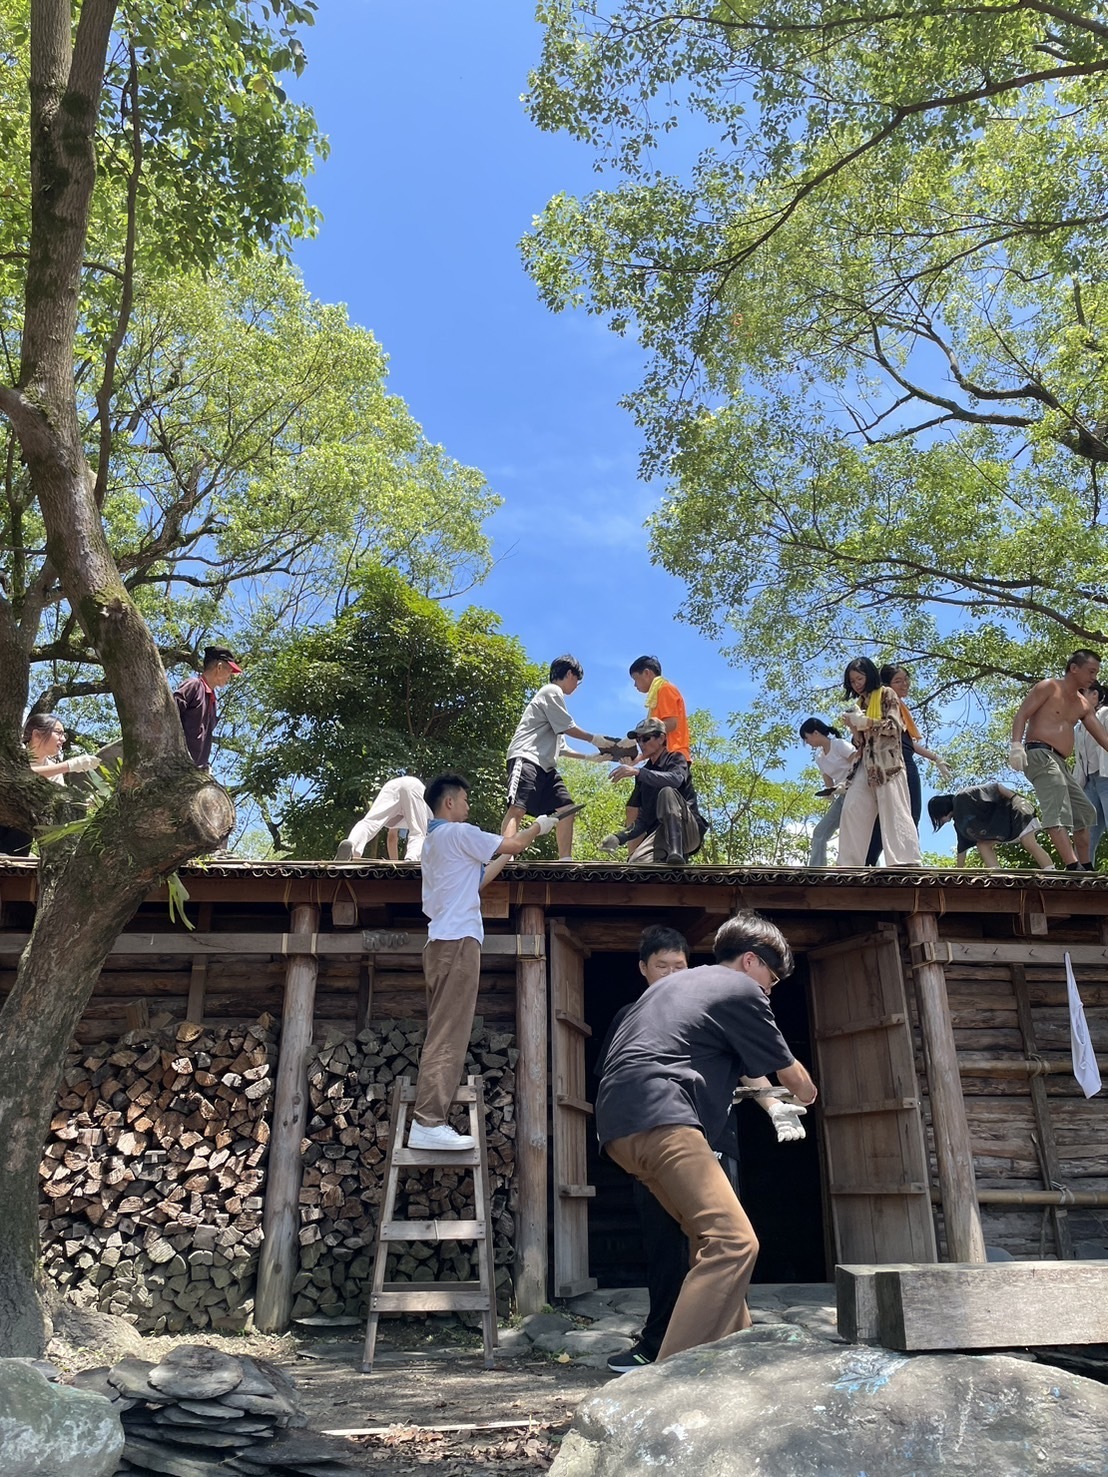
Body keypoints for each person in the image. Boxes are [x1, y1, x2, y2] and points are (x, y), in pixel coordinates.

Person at [595, 909, 817, 1362]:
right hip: (664, 1117)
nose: (770, 991)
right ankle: (671, 1380)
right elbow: (794, 1079)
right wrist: (806, 1098)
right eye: (771, 979)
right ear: (752, 961)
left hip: (619, 1127)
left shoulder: (676, 986)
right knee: (735, 1243)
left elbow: (746, 1067)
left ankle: (735, 1356)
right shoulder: (740, 988)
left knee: (705, 1239)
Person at [413, 773, 555, 1151]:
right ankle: (427, 1121)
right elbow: (516, 843)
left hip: (442, 942)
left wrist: (508, 850)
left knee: (444, 1028)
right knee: (449, 1033)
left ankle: (429, 1119)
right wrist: (540, 826)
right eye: (464, 800)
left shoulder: (435, 843)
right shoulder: (458, 833)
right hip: (457, 942)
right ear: (449, 803)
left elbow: (480, 878)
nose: (468, 806)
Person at [502, 655, 614, 861]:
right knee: (517, 808)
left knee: (566, 809)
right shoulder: (551, 691)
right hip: (527, 757)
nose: (576, 686)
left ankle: (565, 860)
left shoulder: (555, 704)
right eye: (576, 681)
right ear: (570, 674)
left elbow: (562, 748)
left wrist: (591, 758)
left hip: (546, 766)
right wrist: (595, 739)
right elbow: (568, 726)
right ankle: (505, 857)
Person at [1010, 649, 1108, 871]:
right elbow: (1022, 714)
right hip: (1039, 753)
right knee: (1058, 807)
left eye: (1096, 673)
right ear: (1074, 668)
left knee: (1086, 812)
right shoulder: (1049, 687)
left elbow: (1103, 738)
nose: (1094, 677)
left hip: (1061, 761)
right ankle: (1072, 867)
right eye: (1091, 671)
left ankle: (1085, 866)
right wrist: (1016, 746)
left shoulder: (1083, 704)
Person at [835, 658, 922, 868]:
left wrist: (866, 722)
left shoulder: (887, 694)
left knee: (894, 810)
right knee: (852, 809)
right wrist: (855, 728)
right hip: (866, 764)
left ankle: (906, 862)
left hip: (888, 763)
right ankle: (848, 865)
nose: (856, 684)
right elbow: (860, 743)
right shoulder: (859, 705)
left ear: (870, 675)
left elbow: (894, 727)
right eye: (852, 681)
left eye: (859, 678)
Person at [599, 717, 706, 866]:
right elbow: (642, 821)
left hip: (688, 830)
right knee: (636, 864)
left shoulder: (676, 759)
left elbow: (675, 780)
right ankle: (668, 863)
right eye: (638, 740)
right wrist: (619, 837)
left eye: (646, 738)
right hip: (661, 833)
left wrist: (637, 772)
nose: (641, 744)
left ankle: (676, 853)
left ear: (661, 738)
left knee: (667, 792)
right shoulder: (643, 774)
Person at [0, 714, 102, 855]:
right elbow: (17, 776)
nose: (64, 738)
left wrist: (85, 802)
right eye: (59, 732)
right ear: (37, 735)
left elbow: (58, 805)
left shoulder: (55, 773)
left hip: (19, 840)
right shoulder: (10, 755)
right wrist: (68, 766)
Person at [928, 785, 1054, 870]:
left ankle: (1051, 873)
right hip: (1002, 826)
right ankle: (998, 875)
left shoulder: (963, 796)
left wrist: (1015, 798)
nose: (940, 822)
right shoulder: (959, 824)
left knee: (1029, 843)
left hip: (1015, 811)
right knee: (982, 845)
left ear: (941, 810)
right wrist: (958, 872)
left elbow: (996, 787)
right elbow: (962, 849)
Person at [799, 718, 857, 867]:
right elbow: (828, 782)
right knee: (820, 832)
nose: (807, 742)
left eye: (807, 737)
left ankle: (870, 868)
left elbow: (858, 761)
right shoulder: (820, 758)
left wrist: (847, 782)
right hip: (842, 797)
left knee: (856, 833)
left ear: (816, 733)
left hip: (858, 792)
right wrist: (828, 793)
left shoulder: (838, 745)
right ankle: (816, 871)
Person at [173, 646, 242, 770]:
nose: (230, 677)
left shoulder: (213, 701)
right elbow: (170, 713)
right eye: (229, 671)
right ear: (219, 667)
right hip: (176, 764)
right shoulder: (193, 685)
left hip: (196, 771)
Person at [334, 775, 430, 862]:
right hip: (413, 786)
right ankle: (411, 859)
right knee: (418, 832)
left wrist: (395, 864)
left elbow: (392, 837)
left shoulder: (407, 812)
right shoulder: (437, 817)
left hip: (392, 786)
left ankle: (351, 846)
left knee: (370, 822)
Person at [1073, 679, 1108, 869]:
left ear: (1095, 695)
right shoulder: (1079, 728)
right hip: (1089, 783)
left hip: (1106, 777)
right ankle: (1081, 876)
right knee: (1085, 831)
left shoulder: (1105, 714)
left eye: (1082, 693)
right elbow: (1080, 761)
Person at [628, 656, 690, 760]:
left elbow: (671, 724)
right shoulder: (656, 696)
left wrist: (642, 732)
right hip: (662, 757)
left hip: (673, 756)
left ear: (647, 673)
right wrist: (637, 759)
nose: (635, 685)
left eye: (635, 679)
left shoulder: (665, 689)